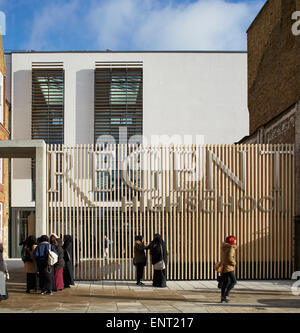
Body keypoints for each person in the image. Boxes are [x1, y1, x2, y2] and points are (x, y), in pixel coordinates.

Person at [220, 235, 237, 303]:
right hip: (229, 268)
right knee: (233, 281)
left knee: (225, 283)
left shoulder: (224, 247)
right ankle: (225, 295)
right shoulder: (231, 248)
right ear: (232, 241)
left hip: (224, 267)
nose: (235, 241)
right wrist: (234, 263)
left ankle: (222, 298)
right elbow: (230, 258)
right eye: (235, 239)